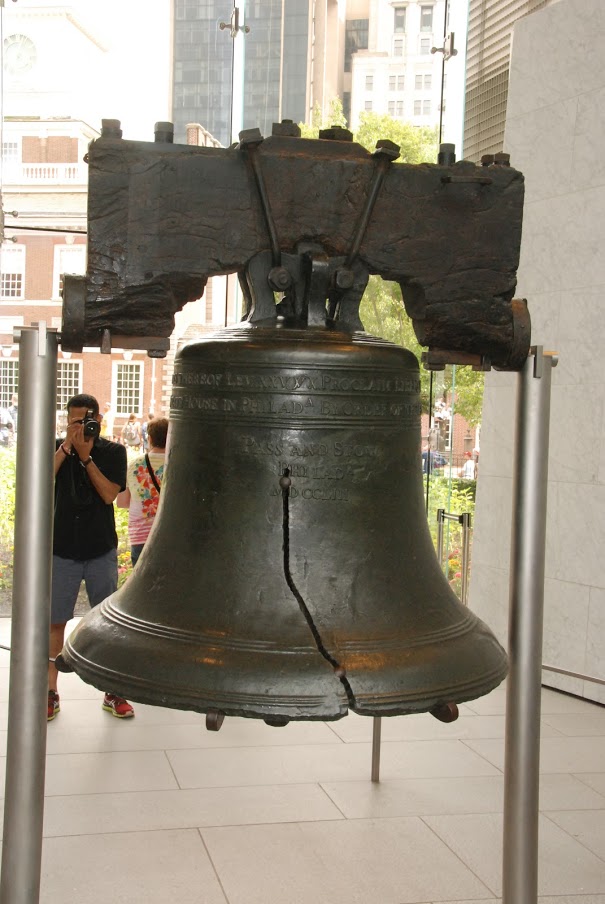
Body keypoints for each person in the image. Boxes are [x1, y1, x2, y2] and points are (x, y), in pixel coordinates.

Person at [49, 393, 134, 721]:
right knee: (56, 622)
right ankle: (50, 691)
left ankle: (114, 691)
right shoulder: (57, 449)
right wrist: (67, 450)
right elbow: (40, 480)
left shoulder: (113, 452)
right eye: (73, 422)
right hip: (62, 550)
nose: (79, 428)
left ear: (97, 421)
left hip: (100, 550)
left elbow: (110, 494)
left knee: (108, 625)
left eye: (85, 422)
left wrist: (86, 458)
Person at [117, 417, 168, 566]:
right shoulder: (177, 464)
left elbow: (122, 502)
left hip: (140, 535)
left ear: (150, 438)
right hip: (169, 534)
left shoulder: (134, 464)